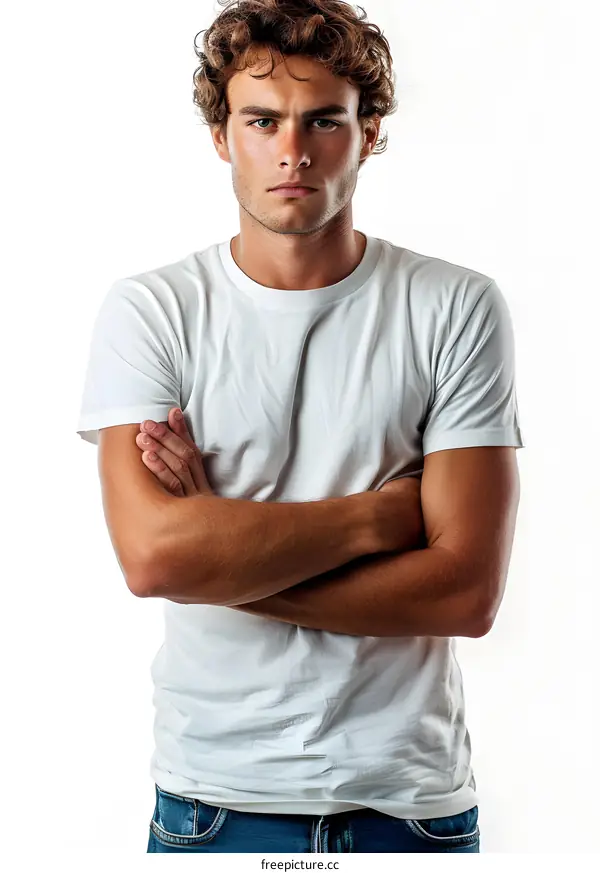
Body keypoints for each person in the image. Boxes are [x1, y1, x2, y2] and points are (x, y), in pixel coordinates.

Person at [76, 0, 524, 854]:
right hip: (214, 802)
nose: (293, 149)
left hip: (410, 804)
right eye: (261, 120)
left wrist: (222, 558)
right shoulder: (153, 312)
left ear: (369, 132)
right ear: (221, 135)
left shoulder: (453, 306)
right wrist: (377, 519)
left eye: (324, 119)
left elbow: (465, 594)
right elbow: (154, 559)